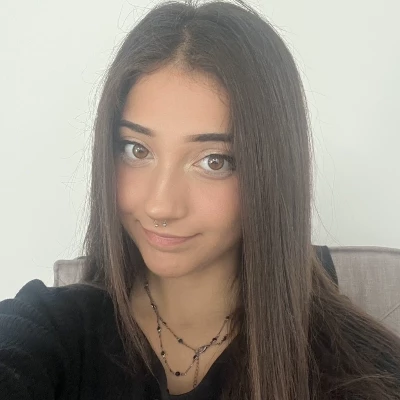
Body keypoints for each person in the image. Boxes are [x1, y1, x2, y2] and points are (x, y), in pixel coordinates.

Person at [1, 0, 399, 399]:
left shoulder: (361, 370)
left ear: (271, 173)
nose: (161, 206)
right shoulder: (54, 327)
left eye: (214, 161)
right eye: (137, 150)